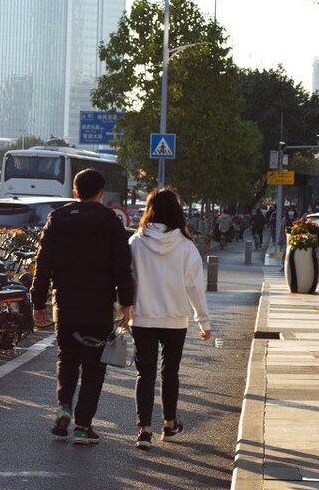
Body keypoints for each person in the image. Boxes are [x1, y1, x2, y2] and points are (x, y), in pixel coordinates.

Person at [33, 168, 134, 445]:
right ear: (102, 194)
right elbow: (122, 267)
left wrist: (37, 301)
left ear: (75, 193)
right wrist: (126, 305)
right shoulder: (111, 222)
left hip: (64, 305)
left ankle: (64, 405)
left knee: (67, 358)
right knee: (93, 366)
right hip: (98, 307)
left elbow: (43, 264)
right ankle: (83, 426)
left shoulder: (57, 219)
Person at [128, 188, 212, 449]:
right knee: (170, 372)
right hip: (176, 318)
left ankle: (144, 431)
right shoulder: (186, 246)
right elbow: (195, 287)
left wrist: (122, 312)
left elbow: (126, 279)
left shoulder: (136, 242)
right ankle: (169, 424)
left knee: (145, 374)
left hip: (142, 317)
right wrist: (204, 322)